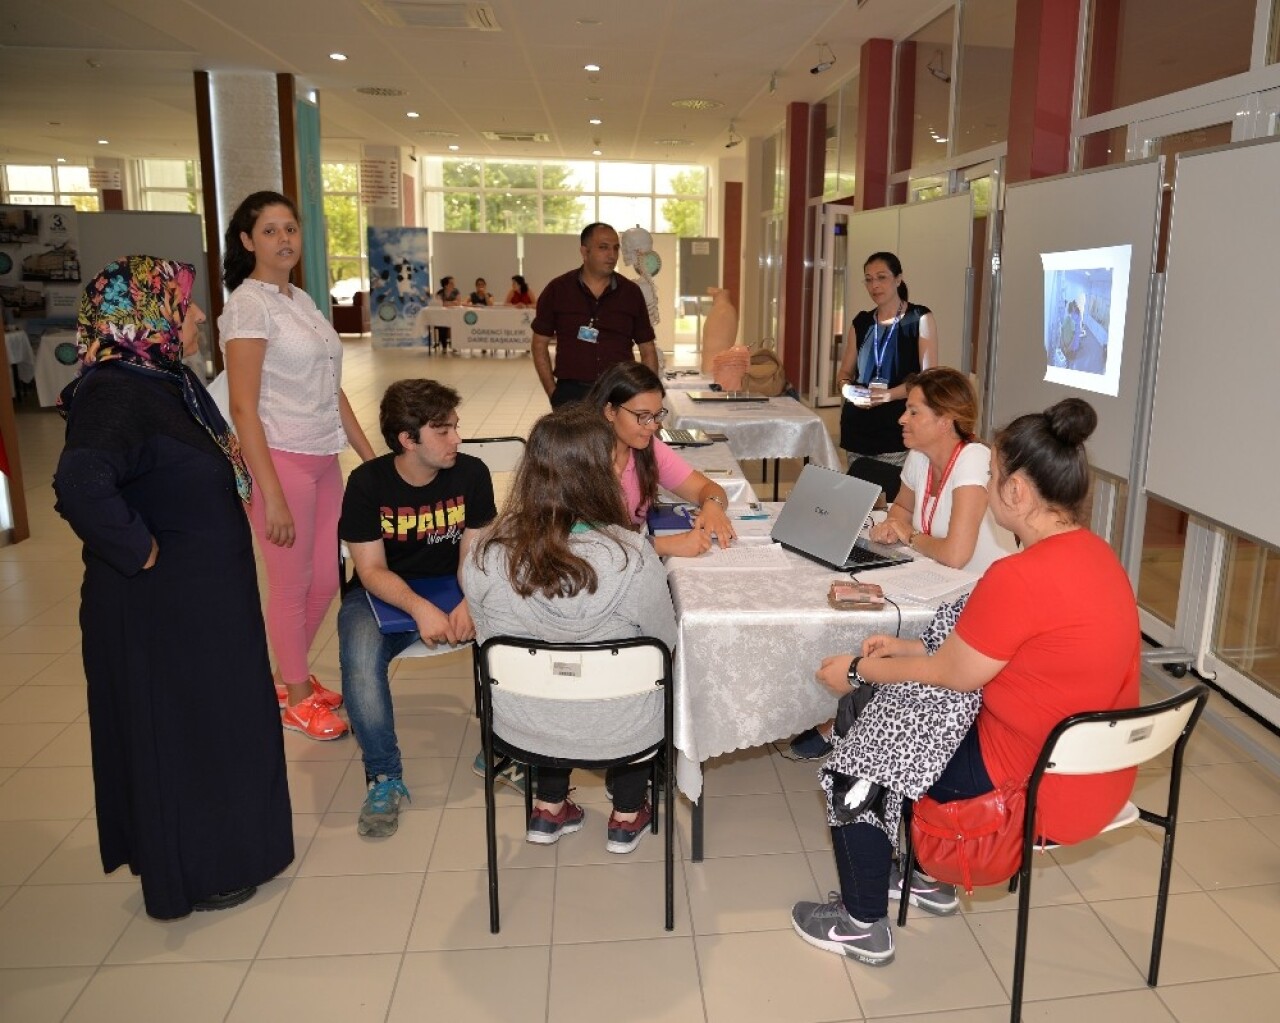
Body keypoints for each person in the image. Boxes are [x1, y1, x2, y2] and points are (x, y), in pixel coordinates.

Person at [792, 398, 1140, 968]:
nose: (991, 482)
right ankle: (927, 878)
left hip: (1028, 787)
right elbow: (996, 652)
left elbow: (950, 675)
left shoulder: (1020, 576)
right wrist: (909, 649)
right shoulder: (1100, 559)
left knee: (857, 752)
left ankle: (862, 924)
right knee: (884, 709)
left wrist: (856, 669)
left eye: (996, 476)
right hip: (1096, 774)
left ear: (1019, 493)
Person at [53, 256, 293, 920]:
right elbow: (80, 482)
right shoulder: (114, 392)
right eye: (182, 305)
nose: (193, 316)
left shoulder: (163, 378)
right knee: (187, 733)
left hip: (201, 604)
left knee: (220, 723)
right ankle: (198, 867)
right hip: (159, 609)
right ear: (143, 316)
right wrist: (141, 546)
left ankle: (230, 851)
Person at [465, 405, 678, 853]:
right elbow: (665, 645)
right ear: (599, 472)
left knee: (548, 669)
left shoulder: (486, 556)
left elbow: (486, 640)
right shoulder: (633, 558)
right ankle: (626, 814)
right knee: (645, 676)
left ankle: (547, 806)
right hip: (622, 730)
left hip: (523, 727)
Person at [221, 190, 376, 742]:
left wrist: (372, 460)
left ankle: (286, 680)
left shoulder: (301, 301)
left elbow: (333, 391)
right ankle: (297, 697)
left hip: (322, 457)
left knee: (323, 583)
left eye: (290, 228)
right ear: (247, 241)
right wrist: (272, 495)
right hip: (280, 460)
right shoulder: (248, 305)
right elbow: (242, 406)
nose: (284, 239)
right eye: (269, 230)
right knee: (291, 585)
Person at [789, 367, 1005, 760]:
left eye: (914, 412)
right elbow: (902, 506)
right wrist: (894, 523)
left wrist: (910, 536)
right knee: (851, 602)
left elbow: (957, 554)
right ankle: (844, 713)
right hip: (933, 579)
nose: (902, 419)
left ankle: (847, 720)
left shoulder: (974, 460)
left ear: (946, 420)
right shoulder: (920, 457)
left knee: (880, 622)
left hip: (976, 596)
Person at [338, 379, 497, 837]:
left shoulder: (472, 474)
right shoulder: (367, 484)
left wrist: (471, 600)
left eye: (455, 428)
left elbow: (475, 555)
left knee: (517, 632)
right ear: (408, 440)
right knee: (360, 663)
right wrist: (421, 607)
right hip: (386, 593)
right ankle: (384, 776)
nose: (457, 440)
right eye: (443, 431)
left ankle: (504, 744)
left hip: (455, 586)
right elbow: (369, 570)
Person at [586, 362, 736, 557]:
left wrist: (713, 505)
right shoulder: (580, 456)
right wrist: (661, 546)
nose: (653, 426)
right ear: (610, 411)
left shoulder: (648, 448)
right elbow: (582, 545)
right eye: (643, 416)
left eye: (657, 415)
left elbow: (707, 489)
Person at [836, 252, 939, 491]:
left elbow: (928, 378)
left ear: (898, 279)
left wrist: (888, 395)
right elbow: (844, 372)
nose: (875, 285)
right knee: (859, 494)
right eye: (869, 279)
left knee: (894, 496)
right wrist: (848, 390)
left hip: (898, 424)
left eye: (881, 277)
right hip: (859, 425)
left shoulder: (918, 318)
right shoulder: (861, 322)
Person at [531, 222, 658, 407]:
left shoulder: (630, 293)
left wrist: (647, 399)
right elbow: (539, 344)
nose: (612, 255)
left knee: (616, 438)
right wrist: (554, 393)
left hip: (619, 393)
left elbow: (647, 349)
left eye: (616, 248)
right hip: (571, 394)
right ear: (584, 252)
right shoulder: (558, 290)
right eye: (603, 248)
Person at [433, 276, 463, 352]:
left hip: (455, 316)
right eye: (451, 283)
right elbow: (439, 304)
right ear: (445, 285)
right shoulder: (440, 293)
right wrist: (452, 302)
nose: (453, 285)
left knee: (455, 324)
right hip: (442, 316)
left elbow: (458, 303)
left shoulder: (456, 291)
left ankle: (455, 345)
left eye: (453, 283)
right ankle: (444, 346)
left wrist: (447, 303)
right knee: (442, 324)